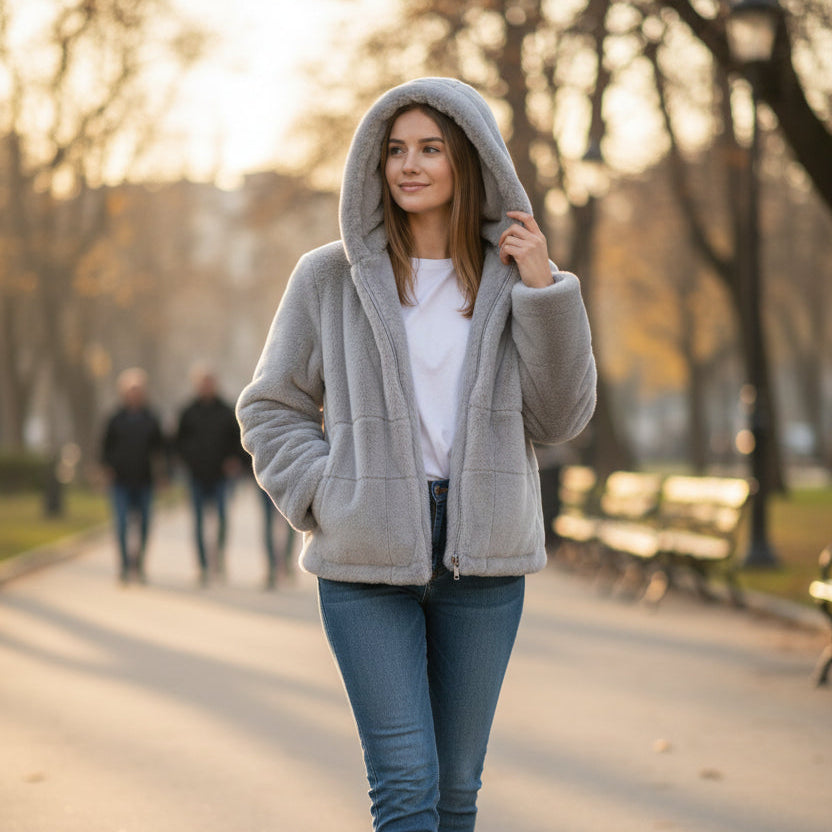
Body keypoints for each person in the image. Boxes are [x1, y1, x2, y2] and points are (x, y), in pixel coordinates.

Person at [236, 78, 596, 832]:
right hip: (365, 563)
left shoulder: (512, 280)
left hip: (484, 561)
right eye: (395, 150)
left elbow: (561, 417)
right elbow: (271, 407)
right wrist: (327, 494)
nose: (409, 165)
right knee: (405, 781)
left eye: (430, 148)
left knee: (457, 788)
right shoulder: (328, 278)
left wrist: (544, 290)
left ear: (470, 162)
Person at [176, 366, 244, 585]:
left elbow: (239, 440)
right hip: (196, 475)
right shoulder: (187, 411)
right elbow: (178, 441)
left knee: (222, 520)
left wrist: (234, 460)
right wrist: (185, 460)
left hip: (220, 477)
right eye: (203, 383)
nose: (206, 387)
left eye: (210, 382)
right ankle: (203, 566)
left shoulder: (226, 410)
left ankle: (219, 558)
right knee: (197, 522)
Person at [100, 367, 166, 584]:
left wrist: (162, 474)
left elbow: (160, 448)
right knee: (120, 524)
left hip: (144, 480)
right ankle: (124, 566)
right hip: (120, 480)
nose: (134, 394)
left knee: (145, 525)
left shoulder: (151, 418)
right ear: (124, 393)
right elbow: (105, 447)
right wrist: (105, 468)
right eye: (131, 390)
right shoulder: (115, 419)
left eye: (138, 390)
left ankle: (140, 563)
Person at [260, 485, 296, 589]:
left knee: (290, 522)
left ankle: (282, 563)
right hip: (266, 481)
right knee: (271, 523)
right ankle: (273, 566)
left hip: (284, 478)